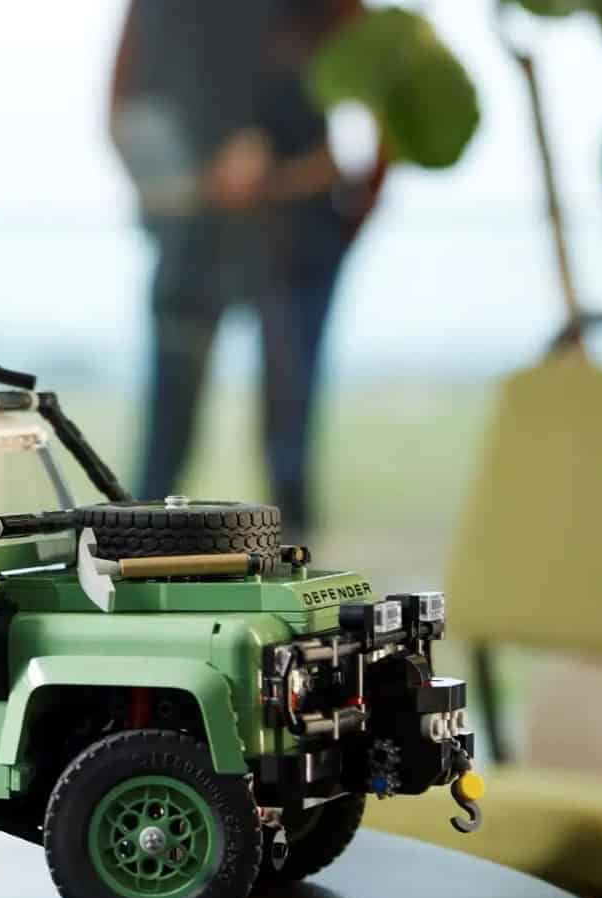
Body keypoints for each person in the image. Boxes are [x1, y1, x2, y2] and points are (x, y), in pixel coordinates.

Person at [109, 0, 375, 536]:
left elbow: (383, 87)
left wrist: (340, 193)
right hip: (199, 236)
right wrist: (196, 187)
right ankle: (139, 550)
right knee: (166, 446)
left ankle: (292, 559)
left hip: (293, 238)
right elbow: (123, 112)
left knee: (286, 444)